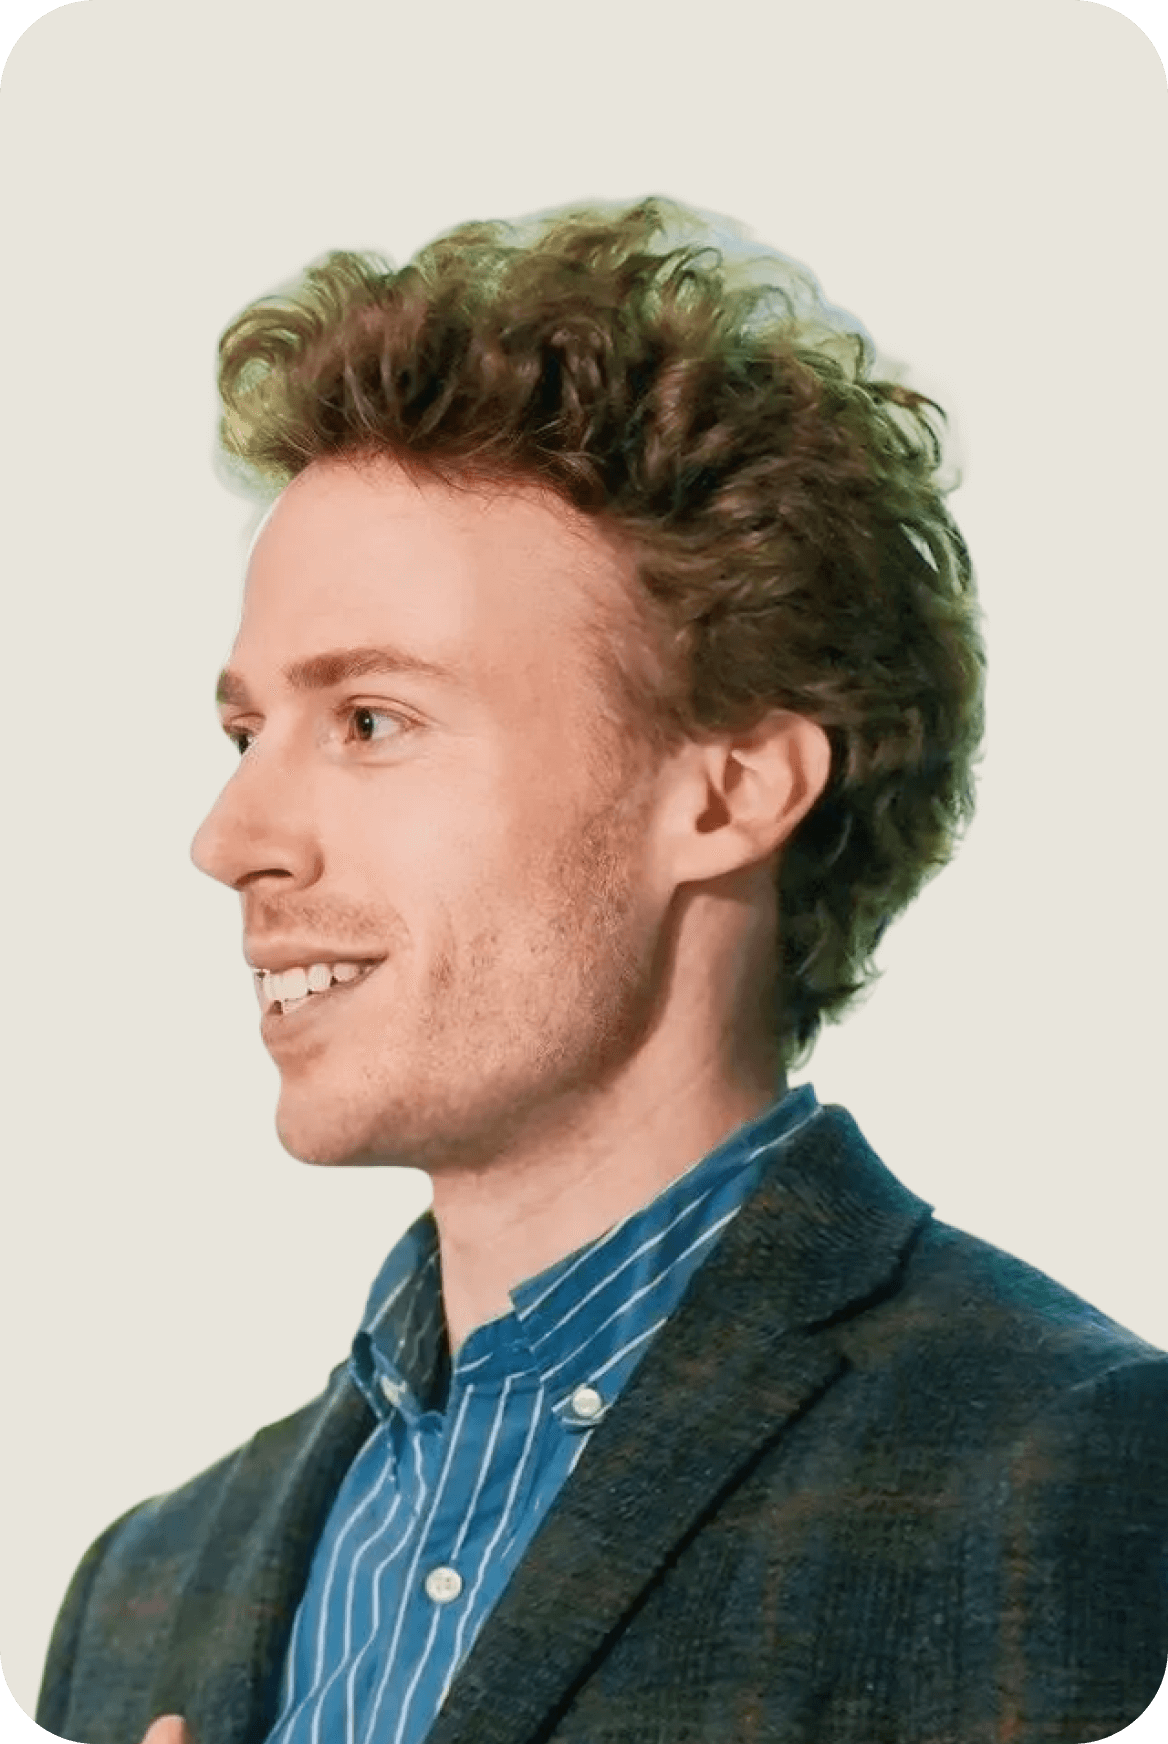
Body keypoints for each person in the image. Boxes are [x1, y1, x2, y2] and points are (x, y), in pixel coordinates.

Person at [34, 197, 1166, 1744]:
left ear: (728, 790)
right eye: (245, 732)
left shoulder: (1074, 1480)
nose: (231, 837)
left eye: (369, 720)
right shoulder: (140, 1595)